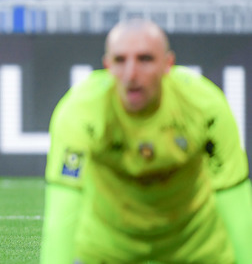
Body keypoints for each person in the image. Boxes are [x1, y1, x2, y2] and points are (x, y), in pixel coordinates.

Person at [40, 19, 252, 264]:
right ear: (107, 66)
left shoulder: (205, 107)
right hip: (107, 247)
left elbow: (233, 198)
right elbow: (62, 212)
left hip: (194, 245)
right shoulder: (81, 112)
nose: (131, 74)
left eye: (145, 59)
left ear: (167, 64)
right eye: (120, 60)